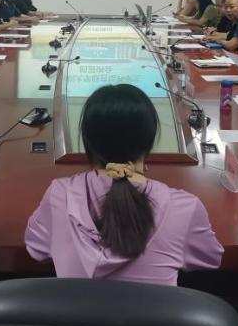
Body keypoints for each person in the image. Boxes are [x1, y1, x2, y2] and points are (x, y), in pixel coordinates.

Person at [25, 84, 223, 285]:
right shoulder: (184, 207)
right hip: (154, 308)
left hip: (74, 307)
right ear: (148, 142)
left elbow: (37, 248)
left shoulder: (59, 194)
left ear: (88, 143)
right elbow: (210, 258)